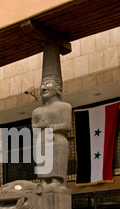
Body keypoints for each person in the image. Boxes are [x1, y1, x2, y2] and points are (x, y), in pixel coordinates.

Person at [31, 43, 72, 187]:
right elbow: (34, 127)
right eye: (42, 85)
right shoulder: (37, 111)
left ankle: (56, 180)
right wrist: (39, 126)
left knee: (56, 163)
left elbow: (67, 126)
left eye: (47, 85)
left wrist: (50, 127)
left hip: (56, 140)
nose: (43, 88)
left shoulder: (64, 106)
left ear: (57, 88)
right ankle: (44, 180)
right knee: (43, 164)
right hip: (42, 140)